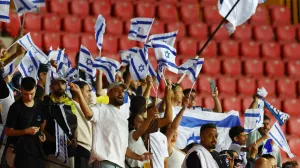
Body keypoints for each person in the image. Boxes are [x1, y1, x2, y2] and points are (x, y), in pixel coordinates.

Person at [69, 81, 151, 168]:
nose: (120, 93)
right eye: (117, 90)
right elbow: (88, 114)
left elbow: (123, 148)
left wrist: (139, 157)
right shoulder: (101, 108)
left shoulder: (124, 119)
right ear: (108, 93)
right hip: (104, 163)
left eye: (123, 91)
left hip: (119, 165)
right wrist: (79, 93)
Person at [5, 77, 46, 168]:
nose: (29, 97)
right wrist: (26, 131)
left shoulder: (40, 104)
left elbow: (41, 124)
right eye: (25, 94)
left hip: (37, 150)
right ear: (21, 90)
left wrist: (42, 134)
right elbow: (8, 132)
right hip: (21, 151)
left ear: (36, 88)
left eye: (32, 94)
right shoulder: (15, 108)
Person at [43, 77, 78, 168]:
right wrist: (57, 141)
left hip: (69, 150)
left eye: (62, 84)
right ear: (51, 87)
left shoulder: (70, 102)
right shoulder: (45, 102)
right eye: (57, 84)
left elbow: (75, 124)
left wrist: (74, 138)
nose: (60, 86)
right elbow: (41, 129)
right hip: (51, 150)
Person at [70, 80, 93, 168]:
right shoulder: (69, 104)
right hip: (79, 149)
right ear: (78, 90)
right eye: (87, 91)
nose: (89, 94)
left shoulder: (88, 108)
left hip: (88, 151)